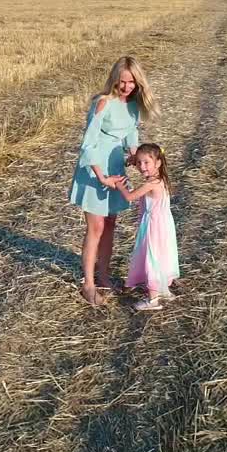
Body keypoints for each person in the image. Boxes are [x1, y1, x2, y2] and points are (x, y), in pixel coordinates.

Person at [68, 56, 157, 306]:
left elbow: (131, 135)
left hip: (116, 168)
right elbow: (89, 142)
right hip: (94, 169)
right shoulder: (102, 103)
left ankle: (104, 276)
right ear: (115, 78)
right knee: (95, 227)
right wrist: (100, 176)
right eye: (123, 81)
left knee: (110, 225)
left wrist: (135, 158)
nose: (128, 86)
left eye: (132, 82)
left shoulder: (133, 106)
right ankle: (88, 284)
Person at [113, 143, 180, 311]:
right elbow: (145, 168)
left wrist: (118, 183)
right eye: (139, 162)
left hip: (153, 226)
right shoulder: (161, 178)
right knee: (162, 256)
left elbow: (130, 197)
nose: (142, 167)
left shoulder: (151, 184)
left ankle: (152, 300)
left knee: (151, 258)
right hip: (164, 225)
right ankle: (162, 288)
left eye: (146, 163)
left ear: (157, 163)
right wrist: (134, 161)